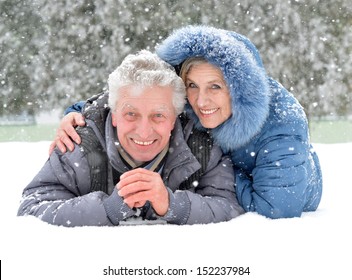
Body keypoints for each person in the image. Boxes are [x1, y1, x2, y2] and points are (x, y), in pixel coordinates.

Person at [51, 25, 323, 219]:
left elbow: (277, 209)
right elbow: (136, 91)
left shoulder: (282, 128)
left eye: (215, 87)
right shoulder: (191, 104)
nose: (201, 101)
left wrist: (209, 176)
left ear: (239, 89)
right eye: (192, 85)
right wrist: (77, 114)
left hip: (288, 184)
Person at [17, 50, 244, 227]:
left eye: (158, 115)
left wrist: (171, 204)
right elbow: (32, 209)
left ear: (175, 118)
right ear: (114, 115)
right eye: (131, 114)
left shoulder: (202, 147)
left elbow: (229, 208)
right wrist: (108, 208)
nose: (144, 131)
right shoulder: (78, 142)